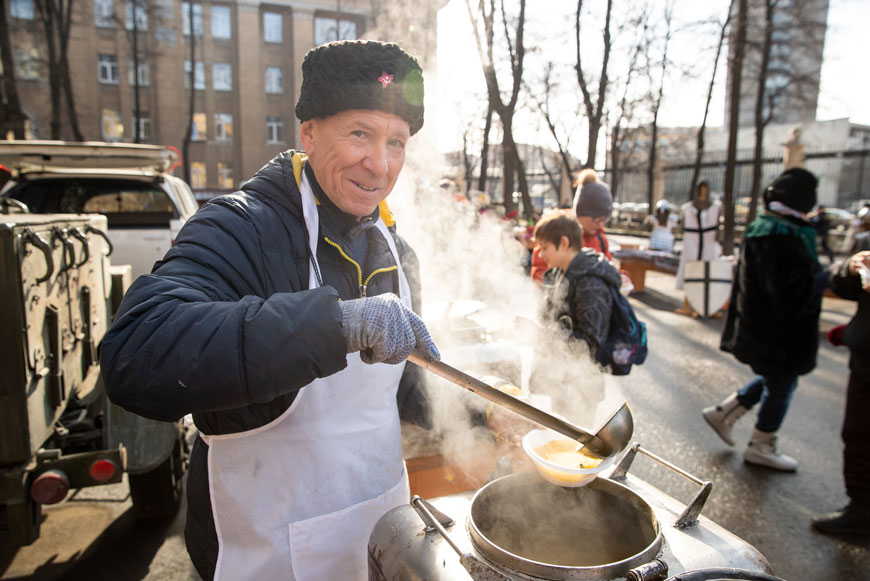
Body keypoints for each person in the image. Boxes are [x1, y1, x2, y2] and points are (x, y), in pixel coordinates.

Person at [99, 40, 441, 581]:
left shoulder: (396, 251)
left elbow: (400, 386)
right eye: (360, 134)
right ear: (308, 132)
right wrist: (338, 325)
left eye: (396, 142)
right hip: (265, 554)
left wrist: (481, 415)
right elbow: (137, 352)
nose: (380, 164)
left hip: (378, 545)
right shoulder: (241, 227)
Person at [703, 168, 829, 471]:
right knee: (782, 383)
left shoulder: (770, 227)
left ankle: (725, 411)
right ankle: (761, 443)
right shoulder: (782, 234)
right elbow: (786, 292)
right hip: (779, 330)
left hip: (765, 327)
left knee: (777, 377)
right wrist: (828, 277)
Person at [529, 212, 620, 419]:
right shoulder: (560, 274)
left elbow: (588, 344)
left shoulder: (590, 283)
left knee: (575, 444)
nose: (541, 255)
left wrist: (539, 334)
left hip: (581, 386)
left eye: (544, 248)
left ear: (563, 243)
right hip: (562, 381)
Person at [811, 250, 870, 535]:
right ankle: (861, 511)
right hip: (865, 363)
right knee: (858, 436)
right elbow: (841, 285)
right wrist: (850, 267)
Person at [572, 168, 614, 260]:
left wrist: (618, 274)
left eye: (604, 220)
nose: (600, 224)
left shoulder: (601, 239)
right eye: (597, 219)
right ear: (581, 212)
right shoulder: (560, 234)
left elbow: (609, 266)